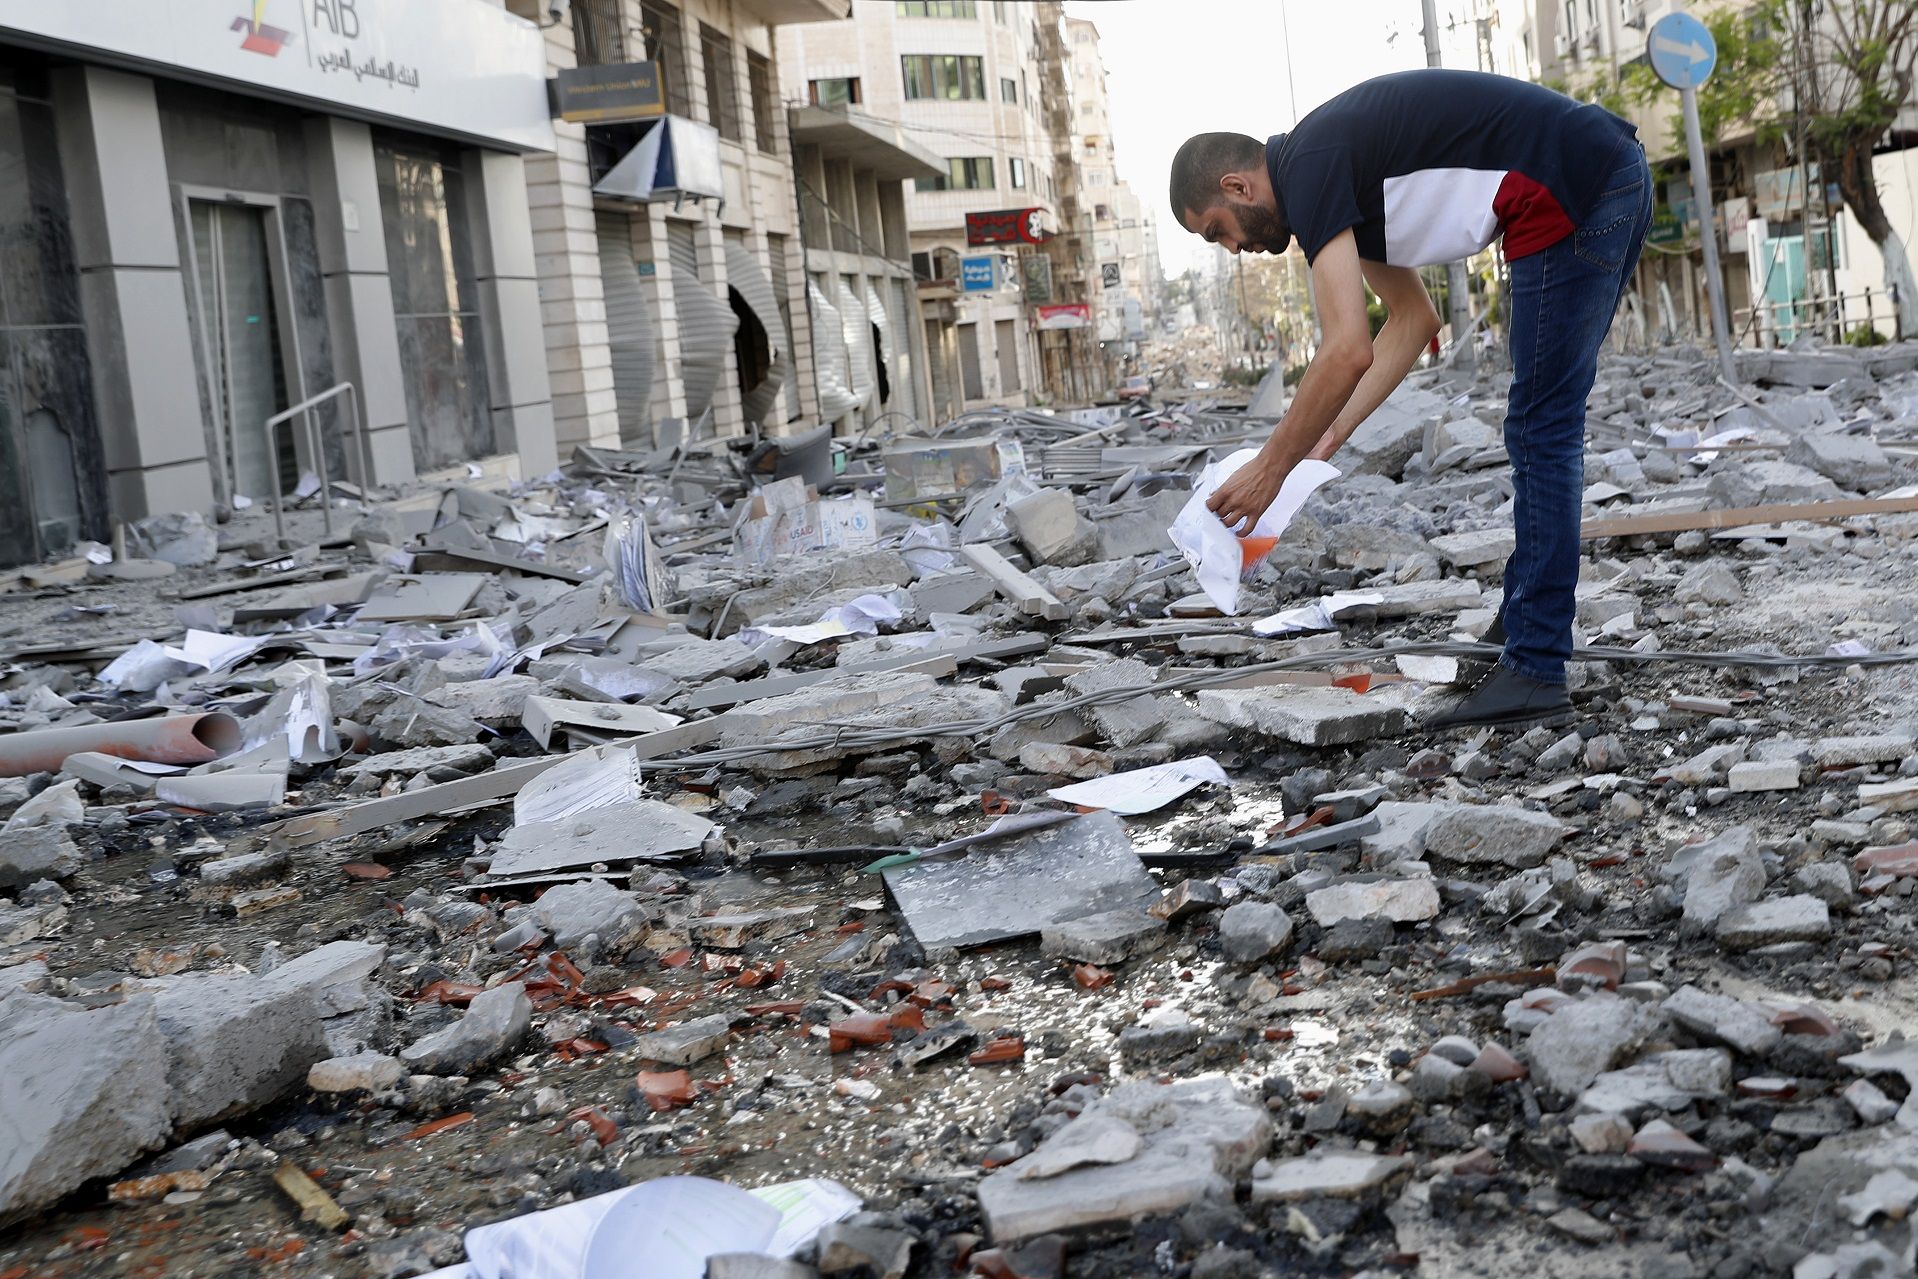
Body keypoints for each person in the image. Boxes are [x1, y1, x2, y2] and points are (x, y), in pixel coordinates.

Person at [1169, 68, 1652, 729]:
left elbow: (1345, 348)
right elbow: (1410, 321)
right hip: (1596, 175)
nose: (1234, 249)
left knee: (1542, 430)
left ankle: (1536, 664)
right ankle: (1521, 635)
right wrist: (1325, 437)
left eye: (1218, 230)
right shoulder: (1333, 181)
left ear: (1237, 186)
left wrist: (1270, 469)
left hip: (1574, 185)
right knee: (1541, 426)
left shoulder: (1311, 165)